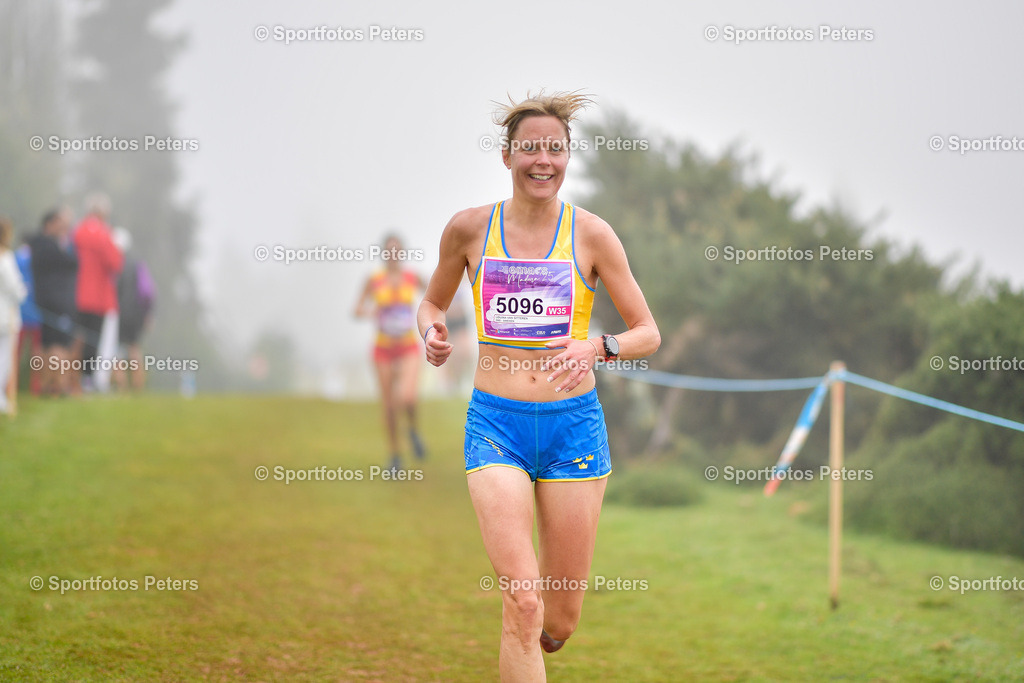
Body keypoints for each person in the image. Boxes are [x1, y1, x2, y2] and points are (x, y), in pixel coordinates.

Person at [417, 91, 660, 681]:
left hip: (572, 427)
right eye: (530, 149)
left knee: (559, 618)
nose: (543, 160)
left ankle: (542, 638)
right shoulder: (470, 230)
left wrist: (597, 347)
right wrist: (432, 331)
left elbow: (647, 333)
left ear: (568, 157)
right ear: (507, 157)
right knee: (523, 602)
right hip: (495, 426)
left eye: (555, 148)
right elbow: (431, 302)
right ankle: (524, 633)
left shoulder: (593, 235)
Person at [354, 234, 427, 469]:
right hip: (383, 348)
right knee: (389, 406)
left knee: (407, 397)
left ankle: (413, 430)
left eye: (397, 250)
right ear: (384, 253)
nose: (394, 254)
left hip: (407, 346)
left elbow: (436, 294)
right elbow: (357, 309)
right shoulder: (373, 280)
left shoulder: (412, 277)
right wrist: (371, 312)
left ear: (403, 252)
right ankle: (395, 454)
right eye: (389, 250)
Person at [73, 193, 122, 391]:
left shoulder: (78, 231)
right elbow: (116, 263)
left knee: (75, 338)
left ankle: (70, 378)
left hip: (77, 294)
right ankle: (86, 379)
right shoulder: (105, 233)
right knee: (93, 339)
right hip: (98, 298)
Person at [29, 207, 79, 396]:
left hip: (46, 302)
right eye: (60, 224)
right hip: (56, 303)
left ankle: (48, 385)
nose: (63, 228)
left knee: (47, 345)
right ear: (48, 225)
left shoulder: (40, 245)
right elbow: (72, 262)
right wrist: (69, 239)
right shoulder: (48, 247)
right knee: (59, 345)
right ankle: (58, 386)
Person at [112, 227, 156, 392]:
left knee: (117, 350)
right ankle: (138, 385)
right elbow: (148, 292)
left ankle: (121, 385)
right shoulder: (138, 265)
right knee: (134, 348)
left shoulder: (113, 265)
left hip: (117, 313)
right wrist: (148, 314)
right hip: (136, 314)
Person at [0, 217, 28, 415]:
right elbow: (16, 289)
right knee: (4, 359)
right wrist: (22, 292)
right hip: (5, 316)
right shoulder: (6, 258)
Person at [14, 237, 42, 396]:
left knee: (15, 353)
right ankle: (34, 387)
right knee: (35, 352)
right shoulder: (36, 259)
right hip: (35, 314)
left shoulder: (14, 258)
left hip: (20, 314)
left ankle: (12, 385)